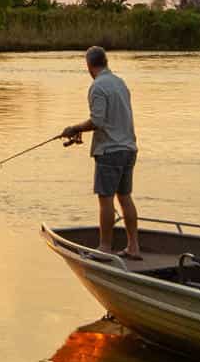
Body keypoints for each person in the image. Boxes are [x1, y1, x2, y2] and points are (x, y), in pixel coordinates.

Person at [59, 46, 140, 257]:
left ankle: (105, 247)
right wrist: (82, 131)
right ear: (106, 62)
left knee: (106, 199)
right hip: (129, 148)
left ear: (89, 65)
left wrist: (75, 128)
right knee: (125, 197)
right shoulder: (120, 83)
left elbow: (97, 120)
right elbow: (109, 120)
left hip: (110, 151)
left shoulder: (98, 86)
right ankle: (134, 247)